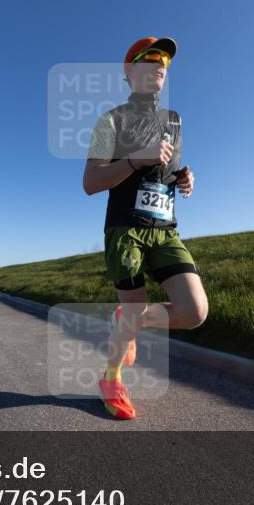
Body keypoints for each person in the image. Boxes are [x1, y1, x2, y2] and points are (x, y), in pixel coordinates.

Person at [82, 36, 209, 419]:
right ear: (129, 70)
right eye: (151, 58)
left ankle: (127, 320)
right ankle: (112, 378)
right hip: (126, 229)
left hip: (165, 228)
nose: (160, 65)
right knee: (135, 312)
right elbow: (91, 181)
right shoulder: (111, 120)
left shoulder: (175, 120)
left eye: (165, 61)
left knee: (194, 311)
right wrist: (135, 160)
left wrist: (184, 178)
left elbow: (165, 171)